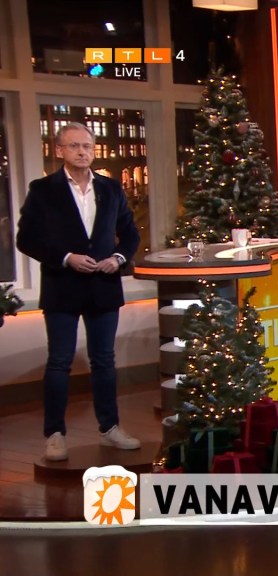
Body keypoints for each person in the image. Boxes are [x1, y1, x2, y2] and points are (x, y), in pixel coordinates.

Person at [16, 122, 141, 461]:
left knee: (104, 360)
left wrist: (118, 258)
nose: (82, 151)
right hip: (62, 287)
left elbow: (130, 233)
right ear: (59, 150)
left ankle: (110, 427)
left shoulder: (111, 188)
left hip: (103, 286)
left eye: (87, 145)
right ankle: (55, 434)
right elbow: (26, 239)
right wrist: (66, 258)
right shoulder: (43, 190)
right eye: (74, 146)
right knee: (59, 361)